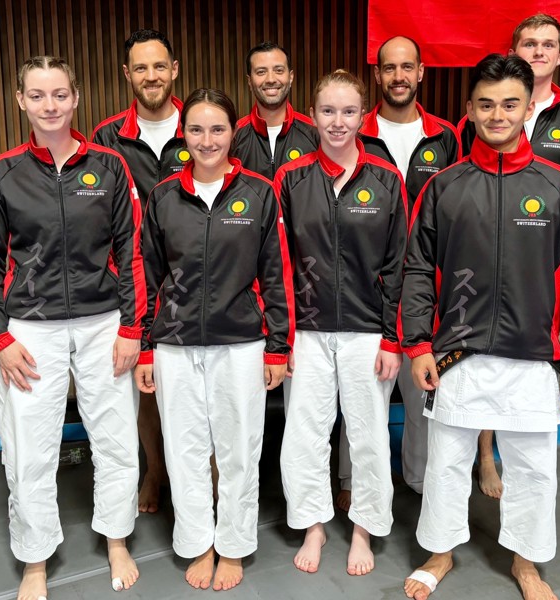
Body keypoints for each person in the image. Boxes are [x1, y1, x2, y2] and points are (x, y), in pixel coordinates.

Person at [400, 54, 560, 600]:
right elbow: (418, 269)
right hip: (457, 352)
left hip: (532, 352)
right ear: (470, 110)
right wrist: (418, 342)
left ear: (527, 108)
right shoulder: (444, 187)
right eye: (486, 105)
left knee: (535, 467)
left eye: (510, 104)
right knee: (446, 462)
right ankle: (440, 554)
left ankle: (527, 563)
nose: (498, 115)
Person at [0, 56, 144, 600]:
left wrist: (132, 328)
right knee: (31, 450)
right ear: (20, 100)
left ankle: (116, 537)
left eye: (60, 95)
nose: (50, 106)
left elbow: (132, 251)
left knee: (116, 441)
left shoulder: (110, 167)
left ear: (75, 98)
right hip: (31, 329)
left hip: (103, 325)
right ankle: (36, 559)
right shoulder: (1, 173)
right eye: (38, 96)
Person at [134, 88, 293, 592]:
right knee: (185, 448)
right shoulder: (163, 197)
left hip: (240, 340)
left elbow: (277, 273)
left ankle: (234, 546)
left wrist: (278, 345)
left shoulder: (259, 193)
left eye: (218, 129)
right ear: (184, 135)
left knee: (238, 448)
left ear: (233, 133)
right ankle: (198, 542)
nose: (207, 140)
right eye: (197, 129)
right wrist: (143, 345)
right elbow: (147, 274)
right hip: (175, 344)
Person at [462, 14, 560, 499]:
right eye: (530, 43)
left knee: (533, 371)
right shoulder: (480, 118)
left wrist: (539, 233)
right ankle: (486, 458)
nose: (539, 51)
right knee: (481, 359)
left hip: (545, 266)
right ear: (515, 50)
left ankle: (524, 462)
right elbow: (469, 184)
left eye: (549, 44)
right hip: (483, 267)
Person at [275, 69, 408, 576]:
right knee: (305, 432)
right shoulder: (290, 179)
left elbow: (400, 265)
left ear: (362, 115)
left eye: (348, 111)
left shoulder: (386, 179)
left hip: (366, 328)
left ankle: (363, 531)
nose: (338, 122)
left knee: (368, 433)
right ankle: (312, 524)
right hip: (306, 330)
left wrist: (393, 338)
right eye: (328, 111)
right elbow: (278, 263)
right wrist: (281, 337)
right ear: (312, 115)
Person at [334, 35, 459, 504]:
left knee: (424, 393)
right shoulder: (352, 131)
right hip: (366, 290)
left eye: (408, 67)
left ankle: (422, 482)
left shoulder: (445, 136)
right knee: (363, 399)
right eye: (389, 68)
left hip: (427, 287)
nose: (399, 76)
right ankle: (351, 481)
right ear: (377, 75)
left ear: (421, 72)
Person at [92, 28, 185, 513]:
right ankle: (156, 472)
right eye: (141, 68)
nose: (152, 76)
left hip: (199, 276)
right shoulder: (107, 138)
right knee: (144, 381)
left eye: (159, 66)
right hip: (136, 278)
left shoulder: (203, 124)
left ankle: (202, 482)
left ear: (175, 70)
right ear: (128, 75)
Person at [233, 41, 319, 179]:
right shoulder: (234, 135)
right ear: (249, 81)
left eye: (278, 70)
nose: (271, 79)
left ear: (290, 77)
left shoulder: (315, 132)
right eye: (261, 72)